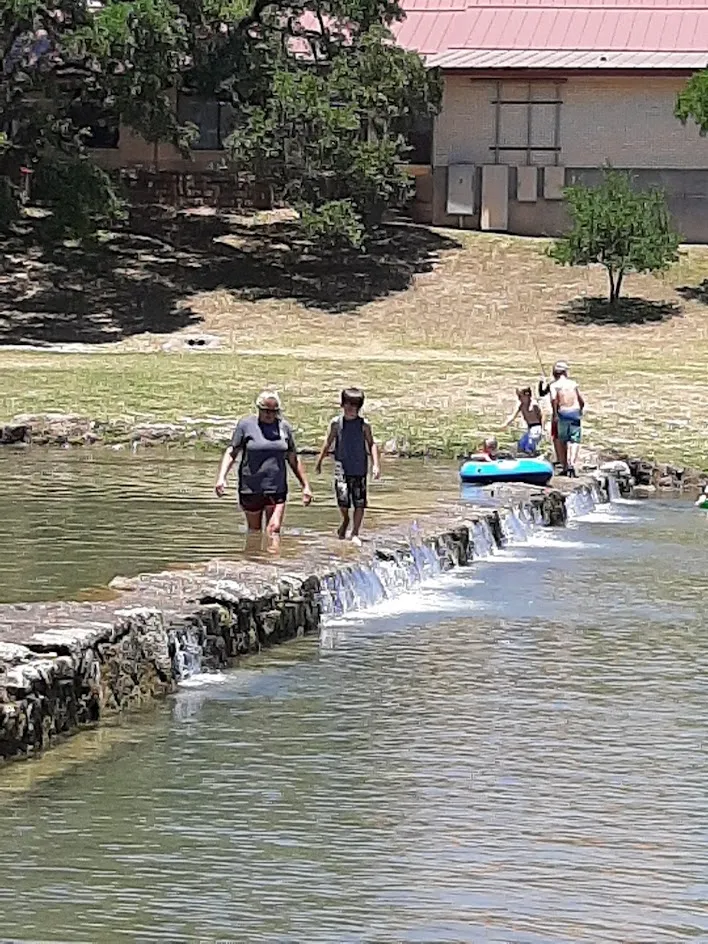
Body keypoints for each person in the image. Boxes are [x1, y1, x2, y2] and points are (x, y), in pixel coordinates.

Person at [215, 390, 313, 537]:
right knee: (255, 532)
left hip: (276, 487)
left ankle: (273, 559)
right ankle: (255, 558)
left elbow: (293, 458)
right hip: (251, 488)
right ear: (259, 409)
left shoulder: (284, 427)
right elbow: (232, 452)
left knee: (274, 529)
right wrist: (222, 478)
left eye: (274, 411)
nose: (270, 414)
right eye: (266, 410)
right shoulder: (246, 425)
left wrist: (305, 485)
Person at [315, 388, 380, 545]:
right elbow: (328, 442)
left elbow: (372, 444)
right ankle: (345, 519)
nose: (351, 410)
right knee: (342, 499)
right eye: (348, 406)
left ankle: (355, 532)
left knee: (359, 501)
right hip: (341, 468)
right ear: (342, 405)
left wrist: (376, 465)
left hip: (359, 469)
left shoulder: (364, 425)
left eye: (355, 407)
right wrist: (319, 461)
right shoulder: (337, 424)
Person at [549, 362, 585, 477]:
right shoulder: (573, 384)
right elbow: (580, 400)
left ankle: (564, 466)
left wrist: (555, 414)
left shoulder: (554, 385)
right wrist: (580, 410)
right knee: (574, 440)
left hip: (563, 412)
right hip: (575, 412)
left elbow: (554, 400)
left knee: (562, 439)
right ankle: (572, 464)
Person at [503, 387, 543, 455]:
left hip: (536, 427)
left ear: (527, 395)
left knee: (529, 445)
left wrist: (542, 428)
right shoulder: (521, 405)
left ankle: (532, 455)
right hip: (530, 428)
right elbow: (513, 416)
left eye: (520, 396)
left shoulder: (534, 405)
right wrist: (505, 424)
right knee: (521, 444)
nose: (519, 398)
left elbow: (541, 416)